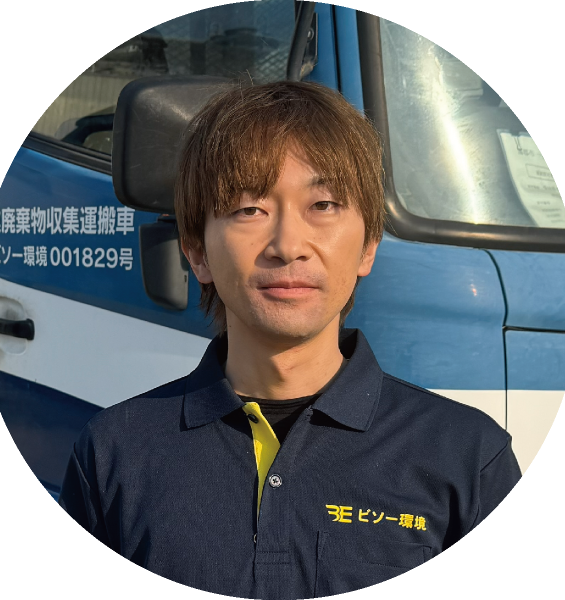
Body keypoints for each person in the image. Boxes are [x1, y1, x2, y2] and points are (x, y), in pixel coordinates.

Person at [58, 81, 522, 597]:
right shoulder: (115, 453)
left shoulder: (466, 456)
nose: (287, 245)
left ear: (368, 246)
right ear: (196, 251)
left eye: (323, 204)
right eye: (249, 209)